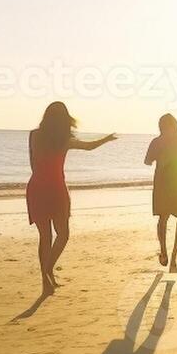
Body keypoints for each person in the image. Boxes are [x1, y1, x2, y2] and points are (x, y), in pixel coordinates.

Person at [25, 102, 118, 297]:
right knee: (63, 234)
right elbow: (89, 147)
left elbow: (32, 162)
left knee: (45, 237)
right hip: (56, 188)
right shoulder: (64, 140)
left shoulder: (34, 135)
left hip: (36, 188)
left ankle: (46, 278)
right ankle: (48, 270)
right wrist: (107, 139)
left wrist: (40, 177)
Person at [144, 114, 177, 274]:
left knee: (163, 218)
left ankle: (165, 253)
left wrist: (162, 157)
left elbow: (147, 161)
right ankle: (172, 259)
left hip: (164, 183)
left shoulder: (157, 142)